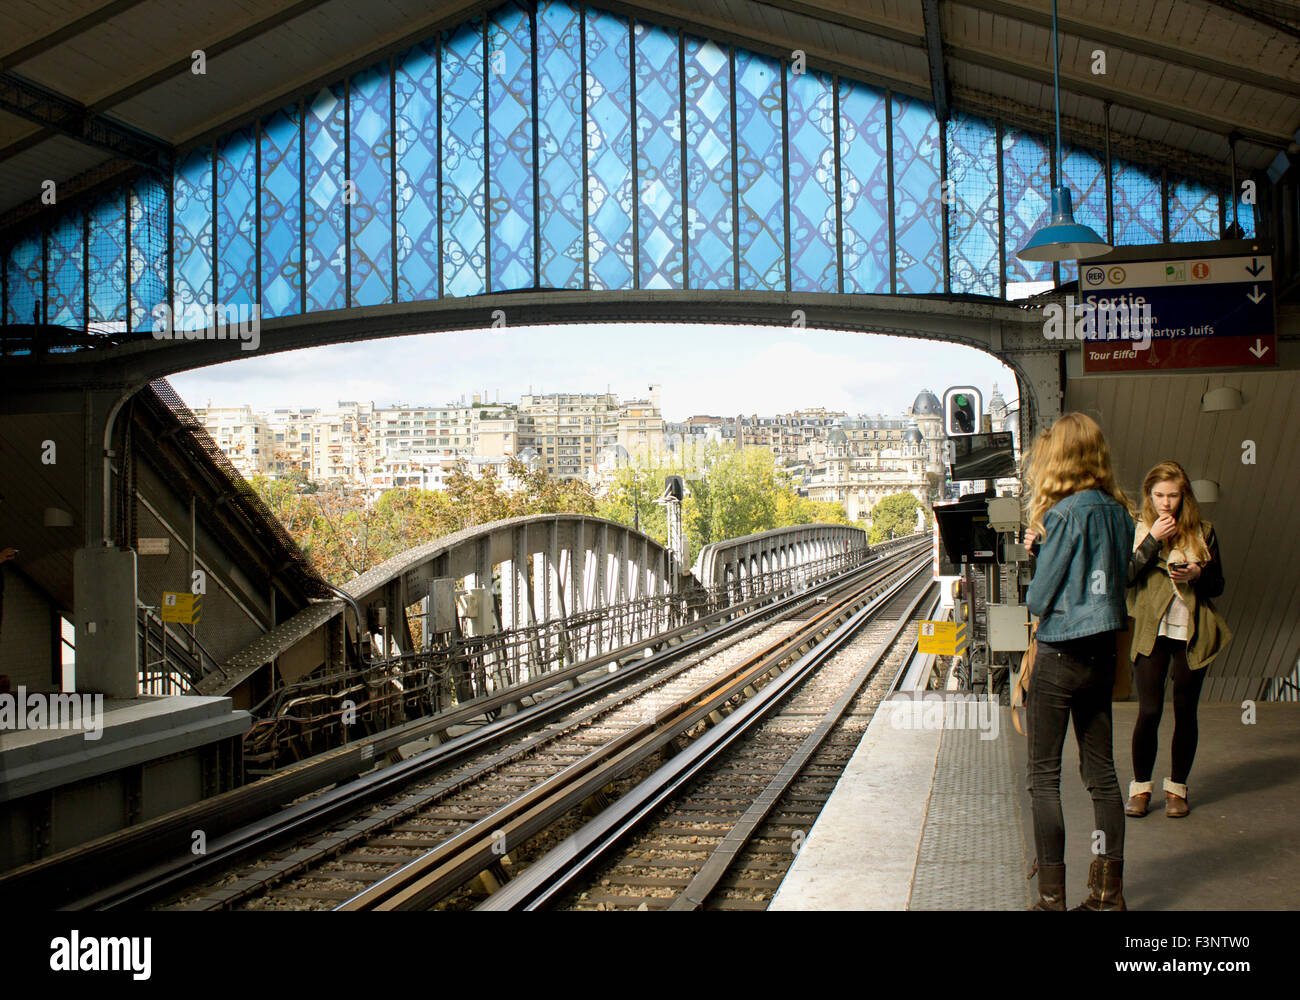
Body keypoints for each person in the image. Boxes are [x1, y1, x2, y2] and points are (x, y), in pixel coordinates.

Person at [1021, 412, 1135, 911]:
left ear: (1061, 459)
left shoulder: (1065, 514)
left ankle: (1051, 900)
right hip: (1103, 654)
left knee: (1044, 777)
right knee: (1102, 775)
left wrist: (1038, 554)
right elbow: (1121, 576)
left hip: (1060, 654)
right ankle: (1108, 897)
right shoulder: (1118, 511)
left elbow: (1039, 598)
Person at [1124, 461, 1230, 819]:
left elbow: (1218, 586)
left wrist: (1199, 572)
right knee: (1149, 711)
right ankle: (1140, 789)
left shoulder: (1204, 531)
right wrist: (1153, 538)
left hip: (1191, 631)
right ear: (1148, 496)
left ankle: (1177, 789)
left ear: (1183, 496)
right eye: (1159, 495)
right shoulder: (1138, 529)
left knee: (1185, 711)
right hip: (1153, 630)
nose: (1166, 503)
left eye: (1172, 495)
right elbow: (1125, 577)